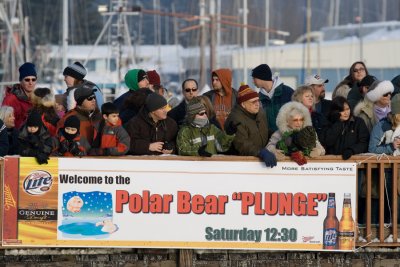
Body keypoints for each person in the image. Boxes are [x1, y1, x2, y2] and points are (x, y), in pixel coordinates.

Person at [224, 84, 276, 167]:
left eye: (258, 100)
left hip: (261, 159)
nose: (257, 104)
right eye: (253, 102)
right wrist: (261, 152)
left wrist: (276, 135)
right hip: (242, 163)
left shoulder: (260, 112)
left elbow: (265, 130)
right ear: (243, 104)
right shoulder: (235, 118)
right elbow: (242, 143)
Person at [266, 101, 325, 165]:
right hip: (285, 167)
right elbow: (269, 146)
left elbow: (321, 149)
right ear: (287, 121)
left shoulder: (309, 133)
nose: (299, 123)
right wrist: (274, 151)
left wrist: (318, 151)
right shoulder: (279, 133)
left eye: (301, 119)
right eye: (295, 120)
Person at [251, 63, 294, 136]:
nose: (253, 81)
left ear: (261, 77)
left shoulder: (288, 92)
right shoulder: (258, 98)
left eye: (254, 78)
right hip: (267, 141)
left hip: (288, 138)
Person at [2, 62, 37, 129]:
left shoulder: (37, 99)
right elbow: (4, 123)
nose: (31, 82)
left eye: (33, 79)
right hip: (16, 137)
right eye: (27, 80)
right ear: (21, 81)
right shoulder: (10, 99)